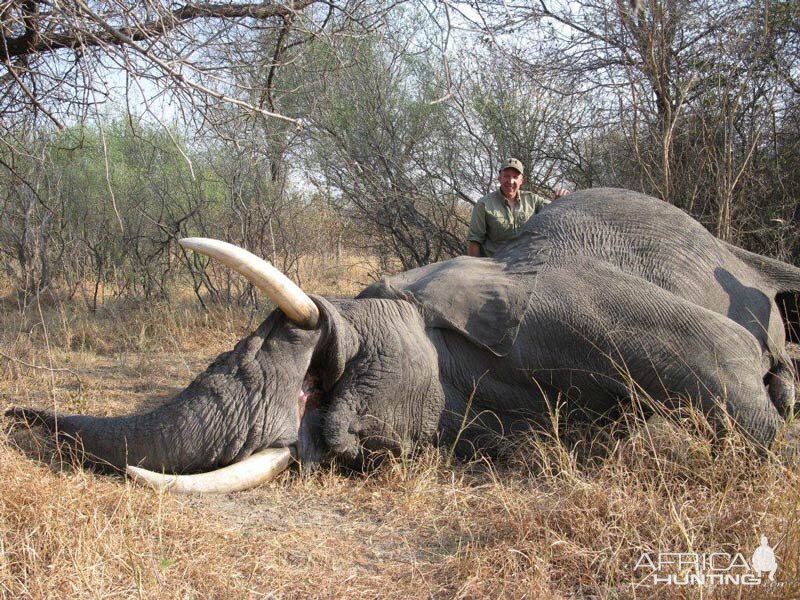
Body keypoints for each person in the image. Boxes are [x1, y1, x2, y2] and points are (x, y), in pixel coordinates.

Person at [467, 158, 568, 257]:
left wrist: (561, 200)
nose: (511, 181)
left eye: (515, 177)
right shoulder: (484, 204)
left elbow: (554, 211)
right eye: (506, 176)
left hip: (524, 263)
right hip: (494, 265)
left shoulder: (533, 200)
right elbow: (474, 241)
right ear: (499, 178)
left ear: (521, 180)